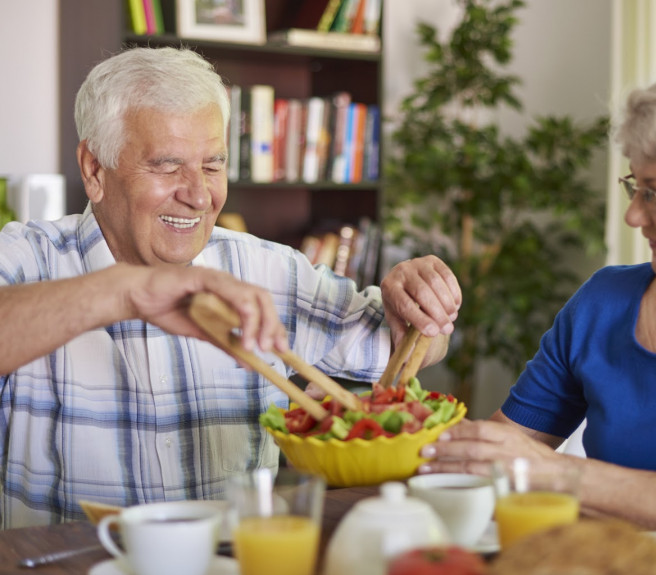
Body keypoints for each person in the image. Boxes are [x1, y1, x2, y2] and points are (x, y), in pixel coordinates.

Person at [0, 46, 461, 529]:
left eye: (213, 164)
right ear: (94, 169)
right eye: (166, 165)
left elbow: (406, 346)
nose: (199, 195)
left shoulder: (267, 269)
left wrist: (422, 303)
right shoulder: (27, 259)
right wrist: (122, 291)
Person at [419, 50, 656, 555]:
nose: (632, 217)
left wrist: (559, 475)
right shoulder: (605, 302)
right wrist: (406, 348)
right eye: (633, 187)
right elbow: (503, 456)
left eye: (654, 194)